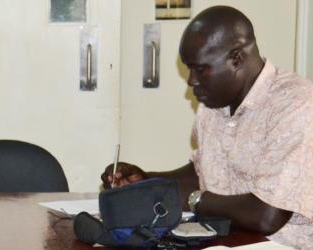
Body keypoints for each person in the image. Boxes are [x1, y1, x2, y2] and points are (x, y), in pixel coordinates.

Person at [101, 6, 312, 248]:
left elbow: (266, 216)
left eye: (200, 69)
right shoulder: (214, 103)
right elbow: (202, 173)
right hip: (223, 240)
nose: (191, 81)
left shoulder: (296, 106)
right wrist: (145, 181)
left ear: (237, 59)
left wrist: (199, 201)